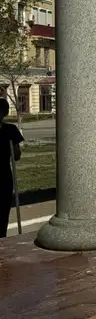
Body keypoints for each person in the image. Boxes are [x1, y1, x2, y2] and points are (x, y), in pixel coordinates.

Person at [0, 99, 23, 237]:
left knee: (3, 211)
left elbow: (17, 156)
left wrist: (16, 149)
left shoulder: (10, 130)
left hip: (4, 176)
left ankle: (2, 239)